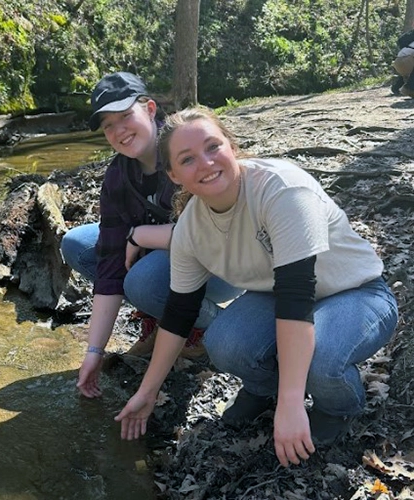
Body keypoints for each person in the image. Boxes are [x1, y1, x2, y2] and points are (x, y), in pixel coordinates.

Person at [114, 107, 399, 467]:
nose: (205, 163)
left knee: (322, 361)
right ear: (173, 175)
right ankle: (265, 389)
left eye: (213, 146)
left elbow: (297, 298)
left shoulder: (280, 189)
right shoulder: (190, 228)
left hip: (356, 291)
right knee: (224, 343)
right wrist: (148, 390)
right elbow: (180, 312)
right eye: (187, 159)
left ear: (232, 146)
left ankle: (338, 406)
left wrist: (292, 403)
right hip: (274, 294)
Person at [61, 73, 241, 398]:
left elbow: (215, 229)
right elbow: (110, 265)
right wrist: (94, 352)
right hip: (170, 255)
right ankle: (162, 320)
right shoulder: (118, 175)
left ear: (150, 109)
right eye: (108, 126)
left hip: (226, 258)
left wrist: (141, 234)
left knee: (141, 281)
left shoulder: (183, 149)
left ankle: (212, 326)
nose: (119, 132)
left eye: (126, 116)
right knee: (78, 244)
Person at [392, 26, 414, 97]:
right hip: (407, 60)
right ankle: (409, 88)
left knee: (409, 73)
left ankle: (396, 87)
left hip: (398, 61)